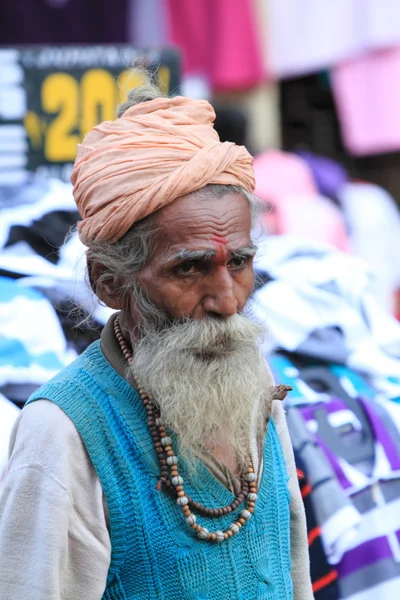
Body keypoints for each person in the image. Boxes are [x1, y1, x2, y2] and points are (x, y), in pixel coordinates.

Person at [0, 80, 313, 600]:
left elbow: (292, 573)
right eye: (188, 269)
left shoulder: (254, 382)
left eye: (239, 262)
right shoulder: (62, 431)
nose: (227, 300)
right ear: (109, 282)